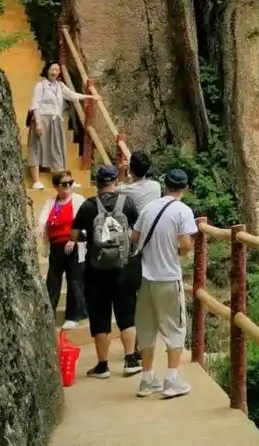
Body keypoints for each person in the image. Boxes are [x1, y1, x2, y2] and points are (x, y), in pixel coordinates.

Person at [71, 165, 143, 379]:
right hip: (122, 268)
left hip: (96, 270)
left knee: (100, 317)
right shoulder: (127, 203)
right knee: (126, 314)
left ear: (96, 183)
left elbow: (74, 235)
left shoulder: (88, 206)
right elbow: (137, 231)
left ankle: (103, 366)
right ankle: (130, 359)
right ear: (115, 181)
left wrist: (90, 239)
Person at [131, 168, 197, 399]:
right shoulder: (183, 211)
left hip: (146, 278)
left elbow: (134, 237)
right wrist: (181, 252)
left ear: (165, 185)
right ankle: (171, 380)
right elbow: (185, 243)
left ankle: (147, 380)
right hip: (169, 277)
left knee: (147, 328)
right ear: (185, 188)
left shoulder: (149, 207)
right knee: (176, 328)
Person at [28, 63, 93, 190]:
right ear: (47, 70)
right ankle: (36, 181)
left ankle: (66, 180)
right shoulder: (41, 86)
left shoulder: (60, 86)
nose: (54, 72)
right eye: (52, 69)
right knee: (37, 147)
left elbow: (73, 95)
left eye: (57, 70)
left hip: (56, 121)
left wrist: (90, 96)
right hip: (42, 119)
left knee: (58, 149)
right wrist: (38, 123)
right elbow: (35, 104)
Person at [38, 170, 87, 330]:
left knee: (74, 280)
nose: (67, 187)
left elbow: (83, 223)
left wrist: (73, 239)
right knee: (53, 280)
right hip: (56, 245)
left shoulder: (78, 200)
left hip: (73, 245)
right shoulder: (51, 202)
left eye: (70, 183)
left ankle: (73, 315)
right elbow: (43, 220)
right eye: (64, 184)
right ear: (56, 186)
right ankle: (47, 313)